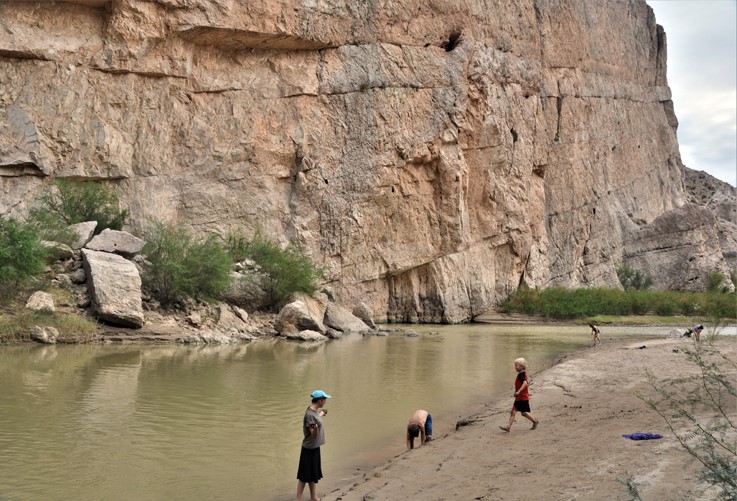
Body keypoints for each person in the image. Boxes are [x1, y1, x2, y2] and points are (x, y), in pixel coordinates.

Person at [297, 390, 331, 501]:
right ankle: (298, 499)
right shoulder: (310, 415)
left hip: (314, 448)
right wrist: (315, 427)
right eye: (324, 399)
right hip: (309, 449)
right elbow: (314, 435)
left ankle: (313, 497)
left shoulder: (314, 412)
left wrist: (321, 415)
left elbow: (316, 418)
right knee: (303, 476)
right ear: (320, 400)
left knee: (313, 474)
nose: (325, 402)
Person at [500, 358, 539, 432]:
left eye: (516, 365)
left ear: (521, 366)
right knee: (513, 411)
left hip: (522, 398)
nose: (515, 367)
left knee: (523, 413)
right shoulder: (522, 374)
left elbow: (525, 383)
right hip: (519, 398)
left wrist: (518, 391)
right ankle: (508, 427)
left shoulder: (521, 375)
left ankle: (535, 421)